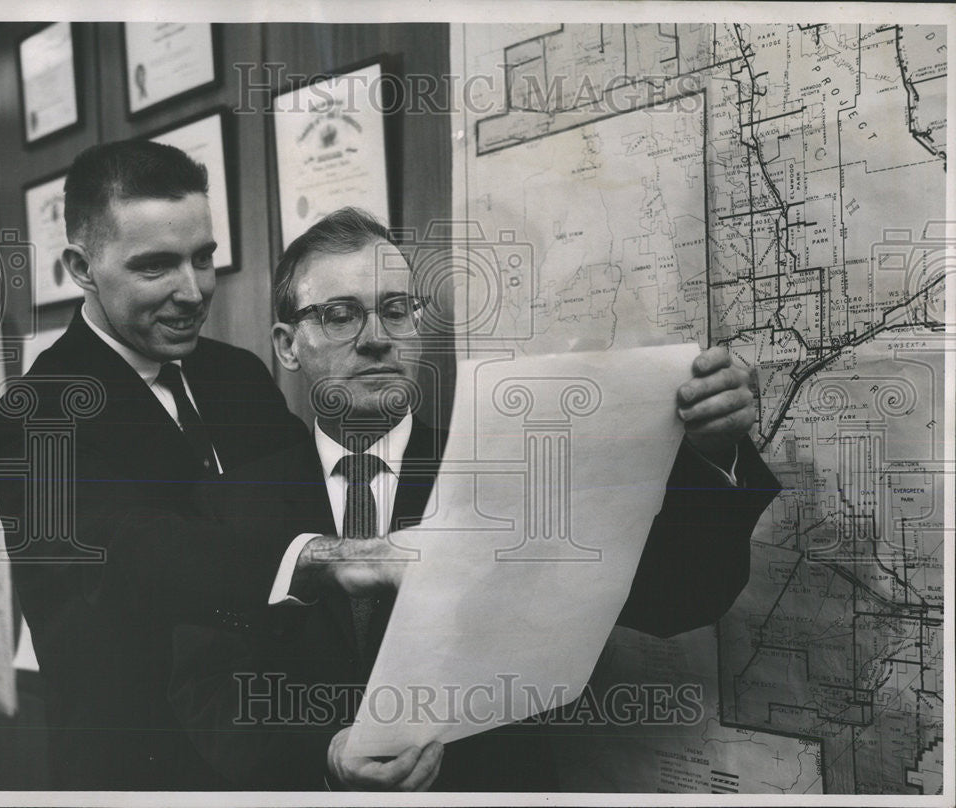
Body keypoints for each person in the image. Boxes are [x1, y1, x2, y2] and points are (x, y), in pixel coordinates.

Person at [166, 207, 782, 791]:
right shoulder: (229, 505)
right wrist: (326, 754)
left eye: (397, 310)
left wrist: (713, 450)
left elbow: (677, 597)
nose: (377, 339)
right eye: (340, 314)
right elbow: (209, 691)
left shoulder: (507, 469)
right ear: (287, 344)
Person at [0, 140, 312, 789]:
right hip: (144, 773)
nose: (193, 291)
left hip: (280, 752)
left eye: (204, 257)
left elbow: (302, 500)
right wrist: (310, 559)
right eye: (156, 266)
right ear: (81, 266)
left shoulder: (238, 375)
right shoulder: (32, 417)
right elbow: (137, 553)